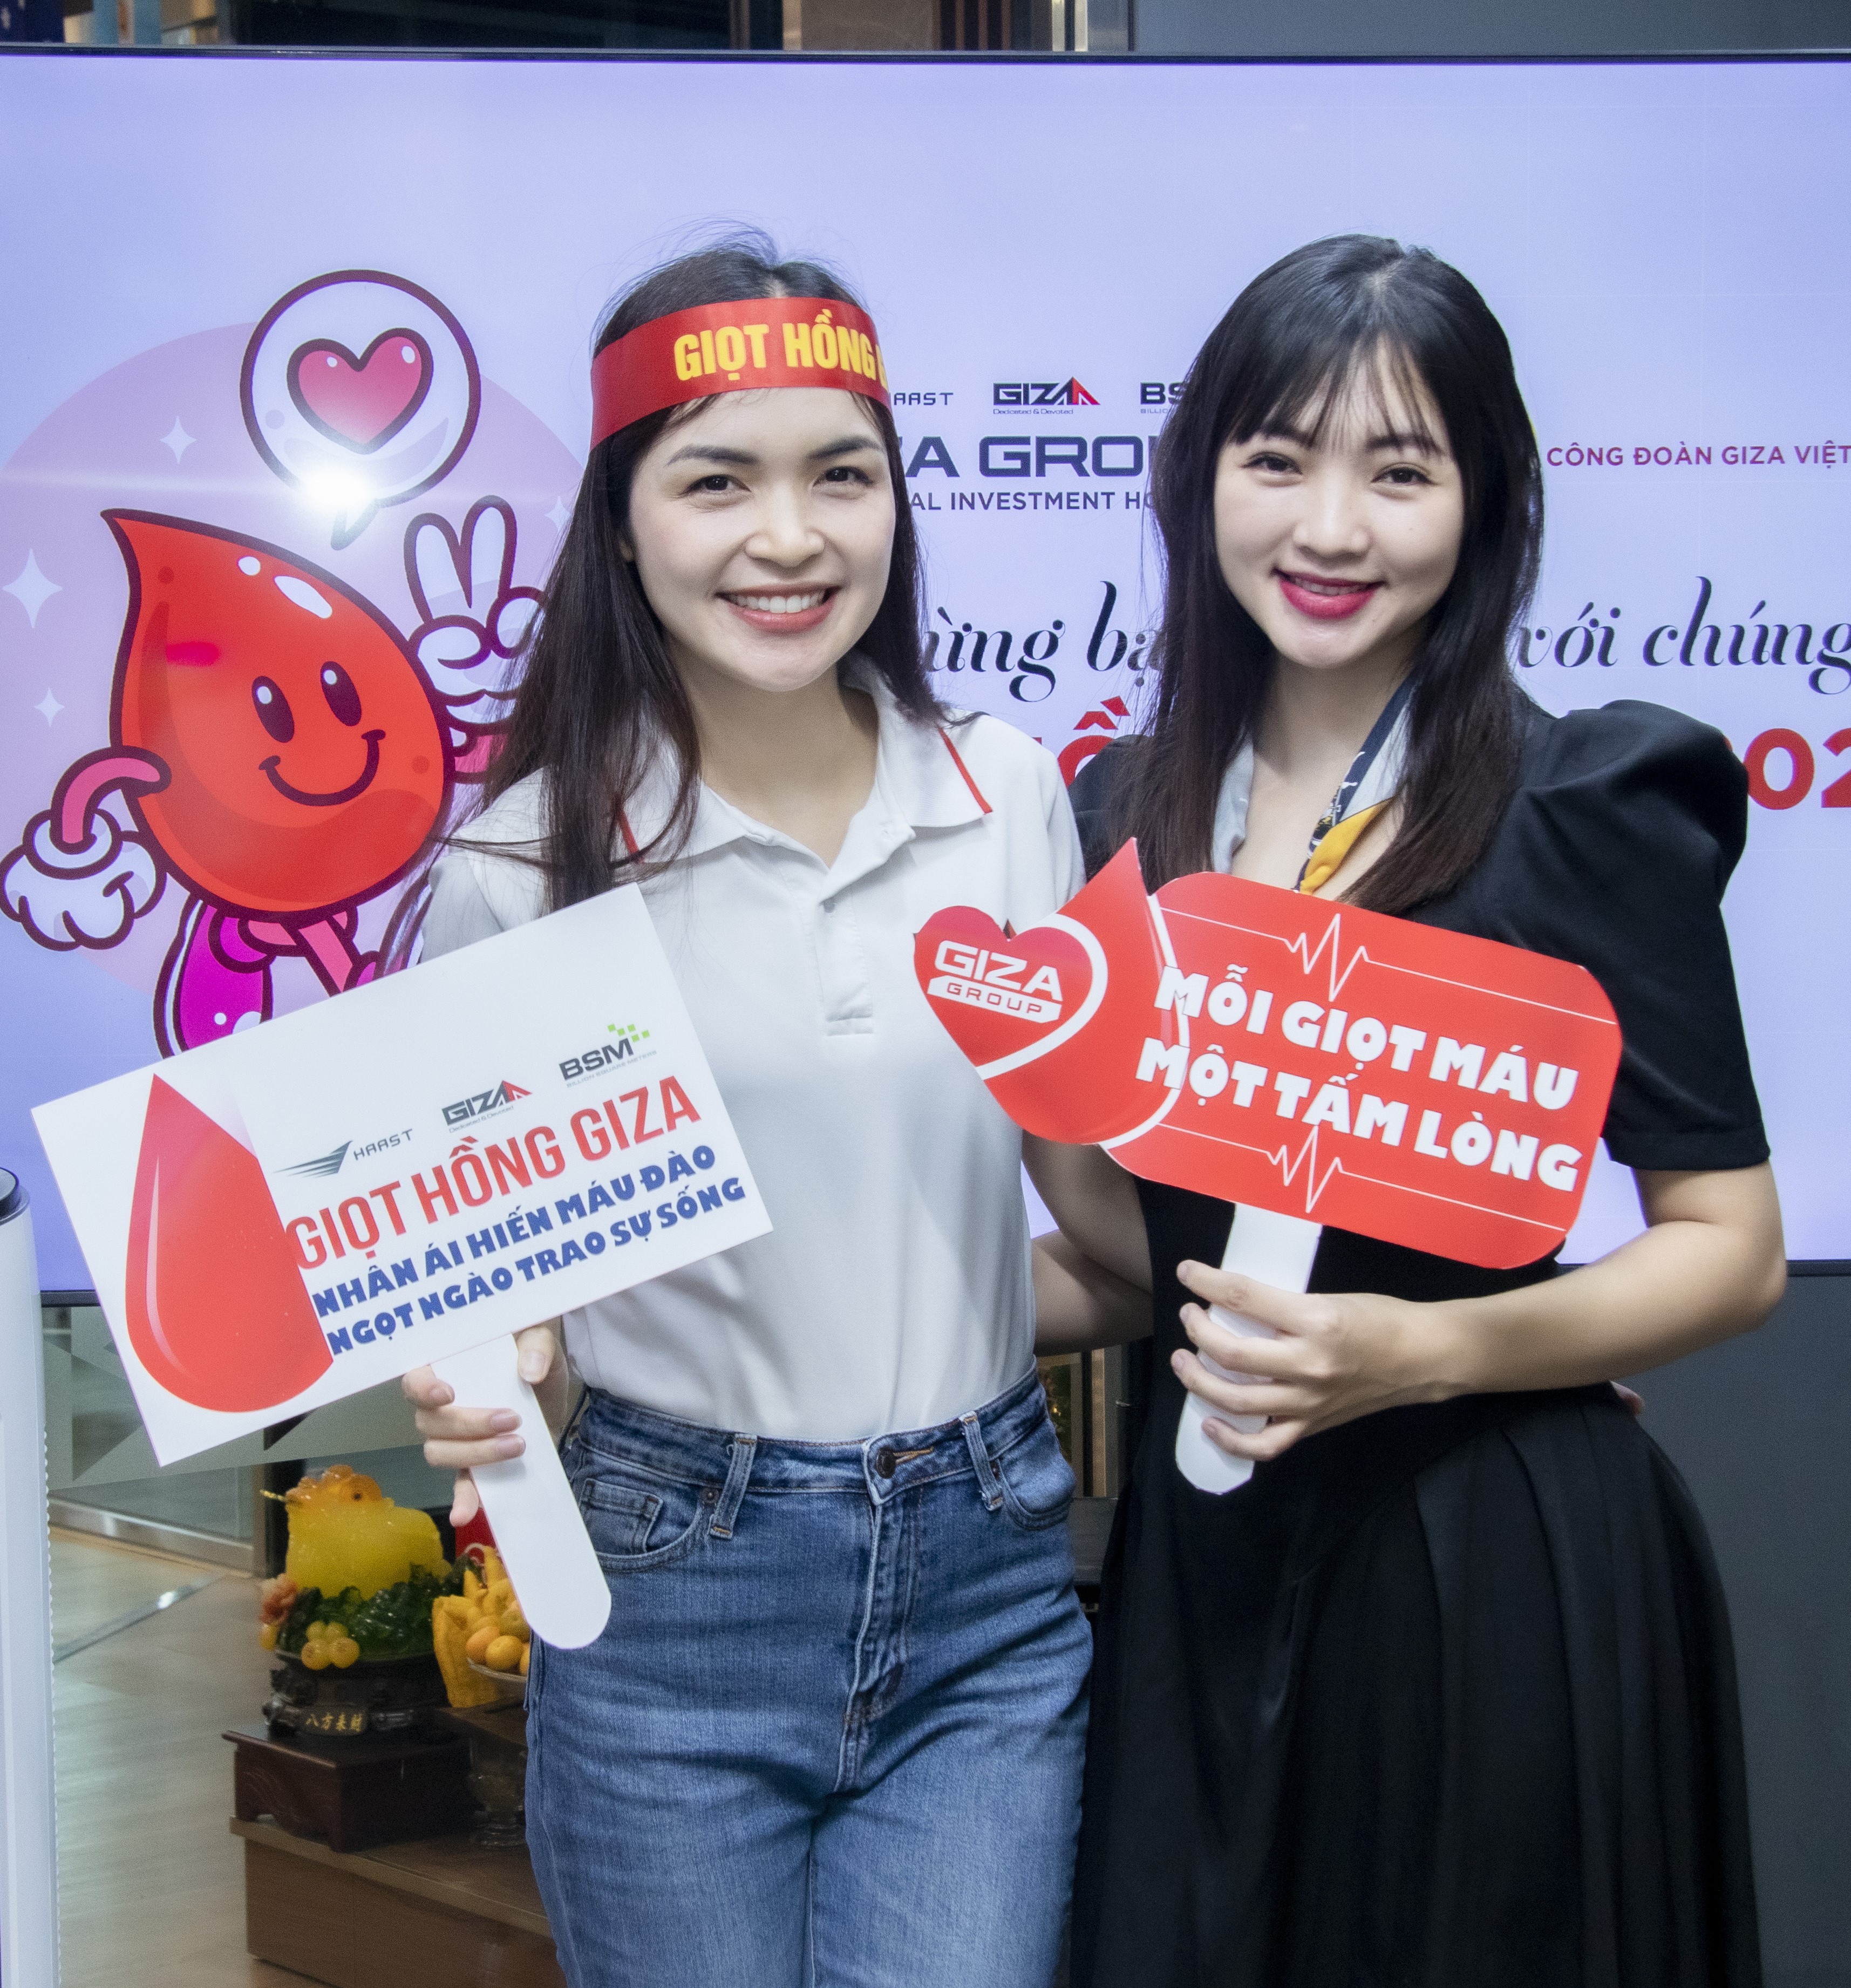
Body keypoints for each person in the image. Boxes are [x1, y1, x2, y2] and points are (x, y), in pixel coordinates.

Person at [1035, 234, 1785, 1987]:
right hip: (1211, 1540)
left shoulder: (1584, 802)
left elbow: (1730, 1246)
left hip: (1488, 1543)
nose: (1331, 528)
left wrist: (1427, 1350)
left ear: (1487, 501)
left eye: (1400, 471)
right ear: (1200, 478)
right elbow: (1139, 1250)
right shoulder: (1119, 817)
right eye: (1278, 458)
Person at [399, 238, 1113, 1988]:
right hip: (671, 1597)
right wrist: (498, 1363)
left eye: (841, 476)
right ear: (621, 522)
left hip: (989, 1588)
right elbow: (483, 1302)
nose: (789, 537)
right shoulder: (521, 865)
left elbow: (1099, 1228)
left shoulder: (1009, 797)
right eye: (717, 480)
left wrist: (1442, 1317)